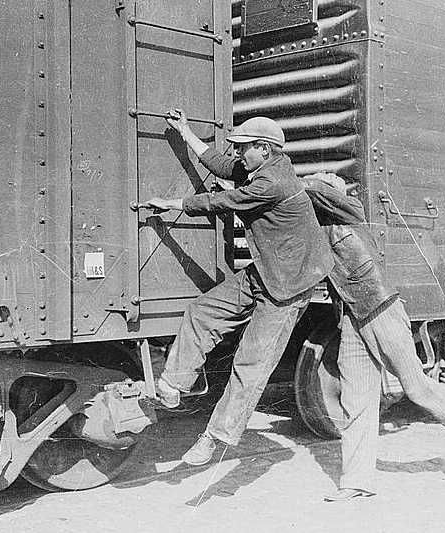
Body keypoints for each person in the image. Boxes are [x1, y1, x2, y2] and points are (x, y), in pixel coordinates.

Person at [143, 110, 333, 466]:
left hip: (288, 287)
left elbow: (225, 201)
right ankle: (172, 387)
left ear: (264, 148)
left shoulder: (272, 182)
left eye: (244, 148)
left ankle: (215, 438)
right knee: (202, 312)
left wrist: (174, 204)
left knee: (251, 363)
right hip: (266, 270)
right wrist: (185, 131)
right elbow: (222, 166)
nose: (238, 155)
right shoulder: (259, 166)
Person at [301, 173, 445, 502]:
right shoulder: (321, 228)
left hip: (381, 309)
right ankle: (357, 481)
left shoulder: (350, 210)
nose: (321, 182)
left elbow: (313, 188)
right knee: (356, 399)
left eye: (326, 181)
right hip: (352, 318)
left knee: (414, 386)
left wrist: (284, 178)